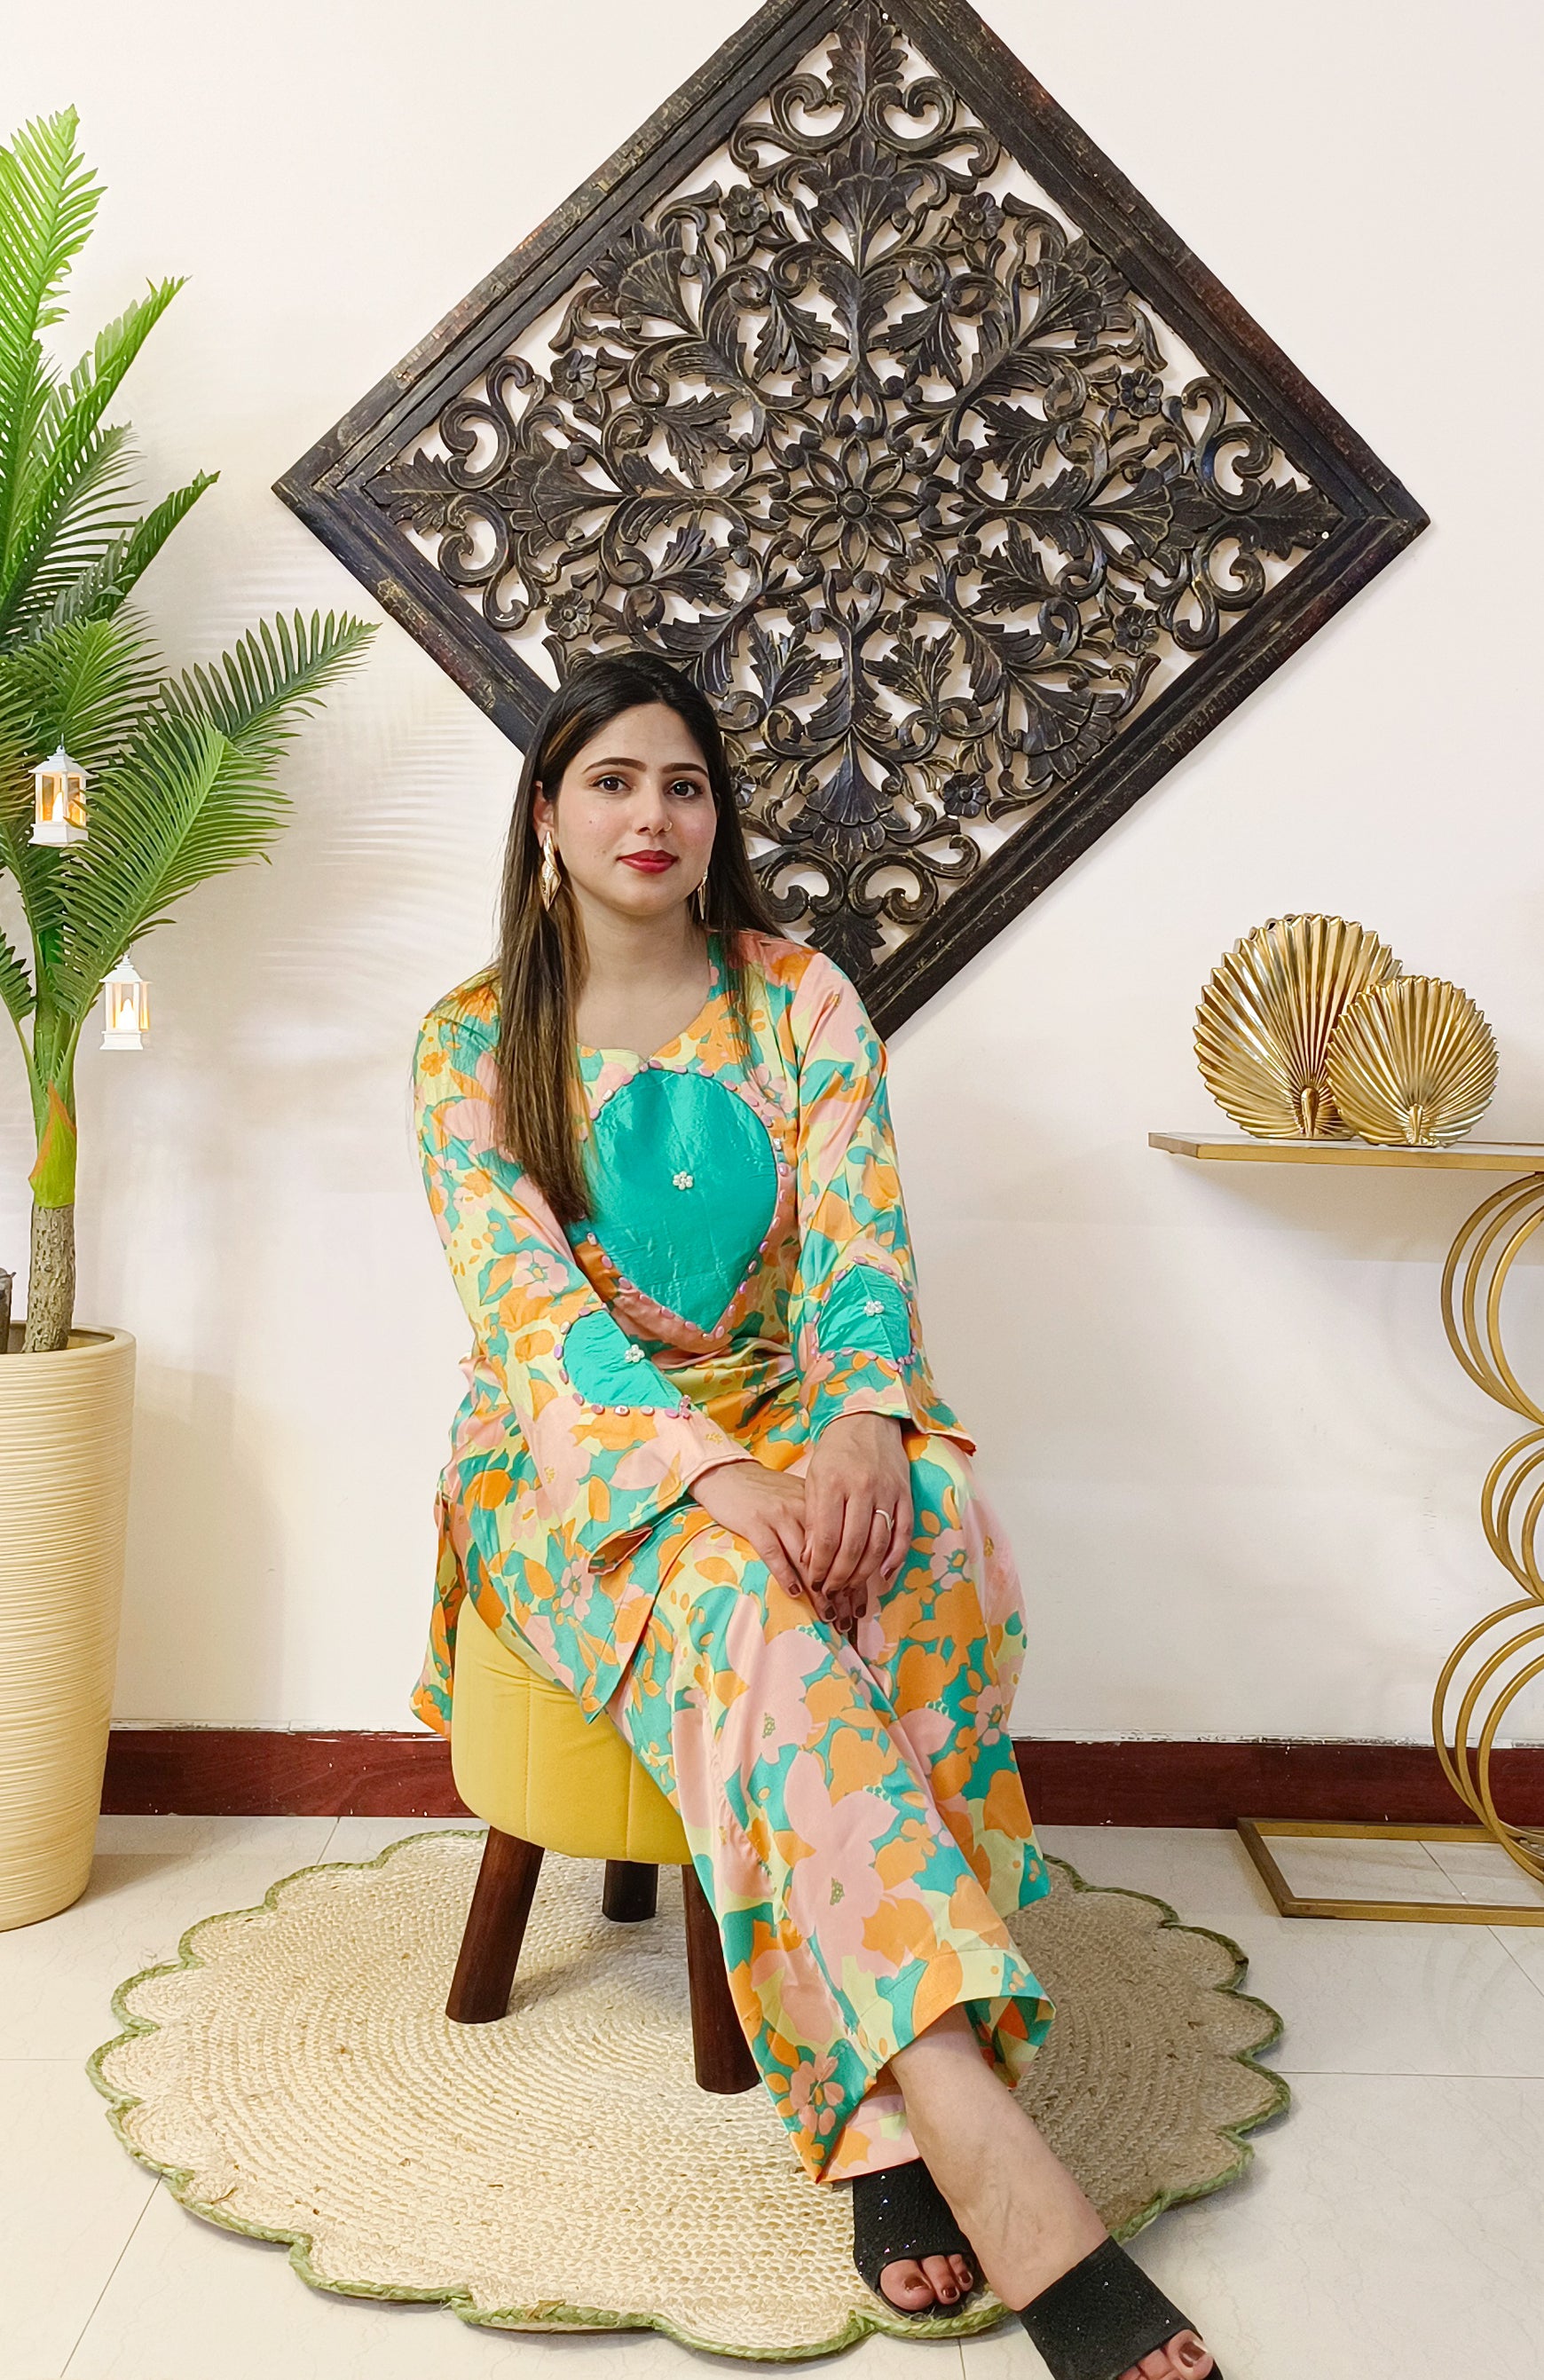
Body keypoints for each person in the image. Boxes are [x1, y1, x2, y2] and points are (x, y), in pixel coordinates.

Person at [410, 650, 1222, 2380]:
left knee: (935, 1536)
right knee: (749, 1603)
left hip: (800, 1400)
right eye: (612, 781)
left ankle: (881, 2129)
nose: (651, 814)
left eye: (685, 783)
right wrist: (721, 1480)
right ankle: (976, 2139)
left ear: (718, 818)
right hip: (569, 1464)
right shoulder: (468, 1041)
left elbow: (865, 1239)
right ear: (545, 817)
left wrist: (859, 1427)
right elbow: (532, 1321)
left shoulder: (802, 999)